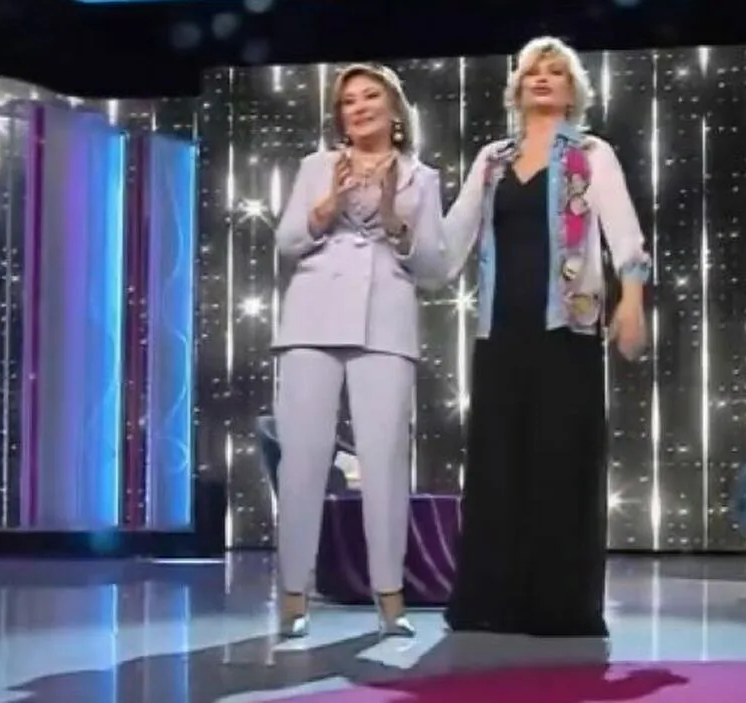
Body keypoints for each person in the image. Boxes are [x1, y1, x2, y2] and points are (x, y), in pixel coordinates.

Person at [439, 37, 651, 638]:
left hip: (568, 331)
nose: (543, 78)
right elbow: (449, 245)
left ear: (572, 90)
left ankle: (560, 606)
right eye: (534, 70)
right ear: (517, 85)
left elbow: (625, 236)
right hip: (501, 333)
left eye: (556, 72)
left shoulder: (591, 153)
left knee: (561, 463)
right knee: (498, 466)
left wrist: (631, 301)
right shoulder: (492, 160)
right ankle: (491, 602)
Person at [271, 64, 446, 639]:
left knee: (385, 459)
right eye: (349, 101)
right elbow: (287, 242)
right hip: (311, 318)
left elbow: (434, 269)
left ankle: (390, 596)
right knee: (302, 458)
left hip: (386, 324)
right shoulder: (316, 167)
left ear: (394, 110)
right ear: (340, 115)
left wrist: (396, 222)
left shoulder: (422, 178)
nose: (360, 107)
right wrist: (326, 208)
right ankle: (293, 594)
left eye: (371, 96)